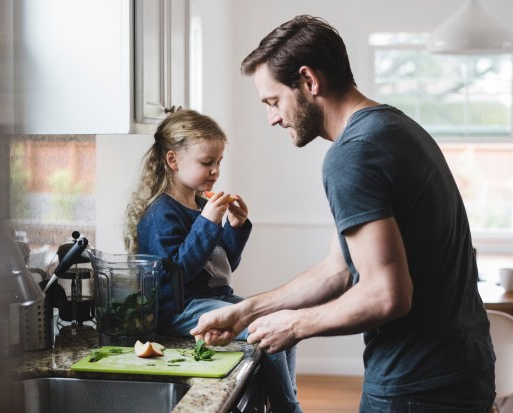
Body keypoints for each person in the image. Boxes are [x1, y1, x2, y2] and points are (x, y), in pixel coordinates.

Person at [191, 15, 496, 413]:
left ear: (309, 81)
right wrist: (248, 310)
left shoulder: (352, 155)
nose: (273, 118)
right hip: (461, 370)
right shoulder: (394, 128)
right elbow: (338, 269)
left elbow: (388, 295)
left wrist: (295, 325)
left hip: (416, 386)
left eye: (274, 101)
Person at [124, 109, 302, 412]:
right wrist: (207, 223)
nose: (215, 171)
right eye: (206, 162)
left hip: (213, 298)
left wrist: (235, 226)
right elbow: (175, 274)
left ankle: (284, 401)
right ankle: (288, 408)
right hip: (181, 309)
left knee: (280, 320)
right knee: (262, 328)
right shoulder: (161, 213)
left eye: (219, 162)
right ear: (172, 160)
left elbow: (221, 265)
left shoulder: (201, 203)